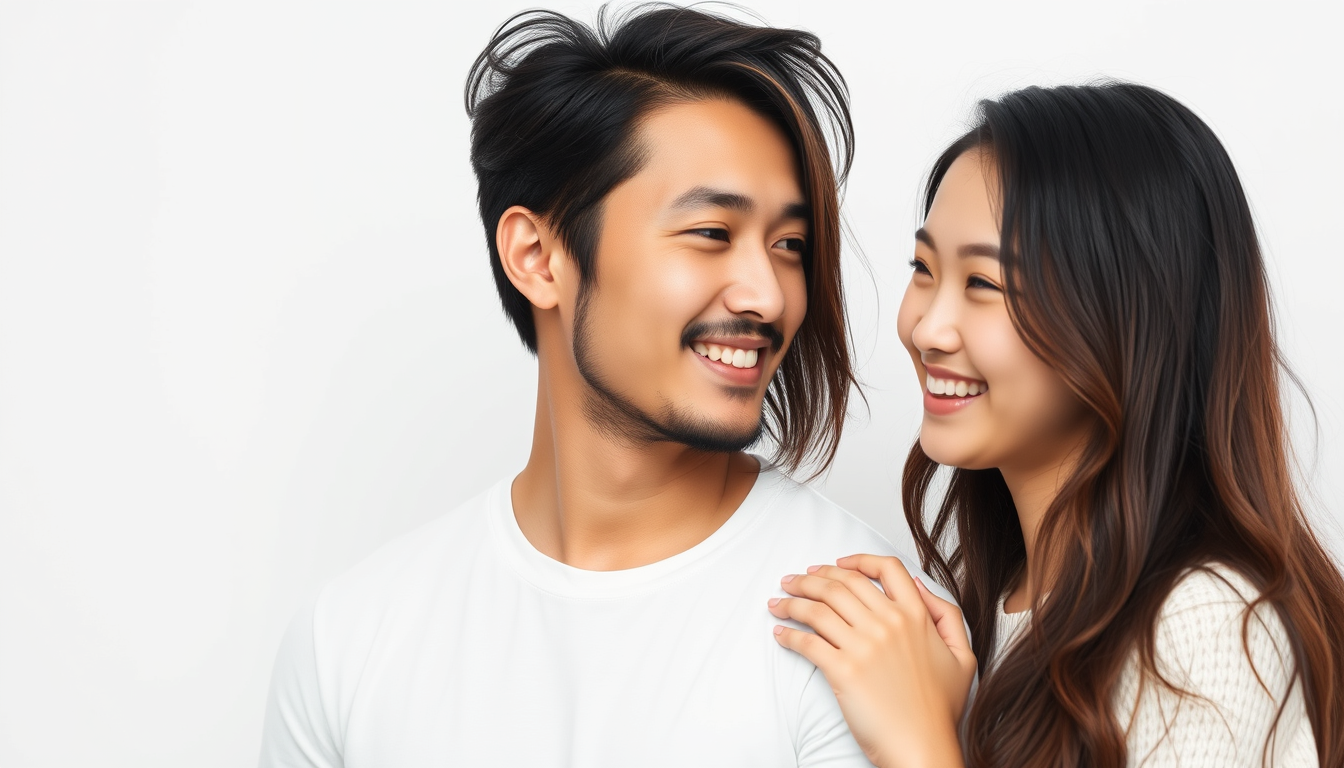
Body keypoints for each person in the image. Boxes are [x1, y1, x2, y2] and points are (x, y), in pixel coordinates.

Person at [259, 5, 952, 766]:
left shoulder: (861, 634)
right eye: (712, 234)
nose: (770, 294)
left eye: (789, 245)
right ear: (537, 256)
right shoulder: (348, 641)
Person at [767, 82, 1344, 767]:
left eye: (983, 284)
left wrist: (919, 745)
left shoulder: (1205, 624)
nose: (926, 327)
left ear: (1126, 322)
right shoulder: (1006, 604)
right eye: (923, 269)